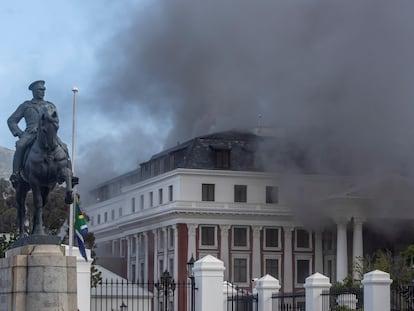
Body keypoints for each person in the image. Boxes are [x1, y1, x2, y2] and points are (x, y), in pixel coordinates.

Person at [7, 80, 71, 187]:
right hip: (30, 133)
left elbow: (56, 120)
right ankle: (16, 174)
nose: (42, 92)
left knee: (64, 147)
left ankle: (70, 175)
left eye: (43, 90)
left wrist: (51, 129)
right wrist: (20, 133)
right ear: (34, 91)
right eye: (40, 90)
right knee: (20, 145)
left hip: (48, 134)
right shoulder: (26, 105)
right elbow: (11, 120)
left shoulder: (50, 106)